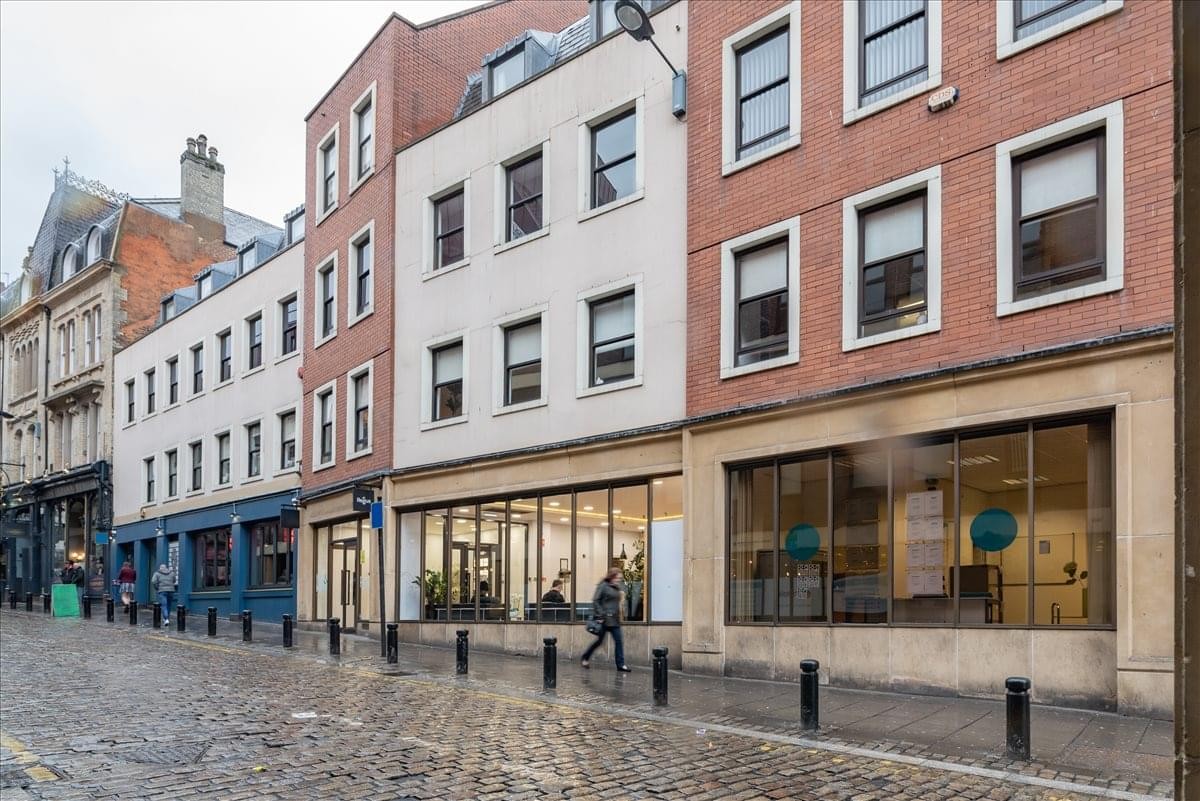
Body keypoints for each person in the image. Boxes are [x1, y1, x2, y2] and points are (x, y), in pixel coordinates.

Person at [581, 568, 630, 672]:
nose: (619, 580)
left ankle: (620, 665)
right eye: (617, 578)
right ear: (612, 576)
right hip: (604, 619)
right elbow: (595, 600)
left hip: (614, 620)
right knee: (599, 641)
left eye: (620, 578)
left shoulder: (617, 587)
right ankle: (585, 657)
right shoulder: (603, 585)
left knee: (619, 641)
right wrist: (600, 615)